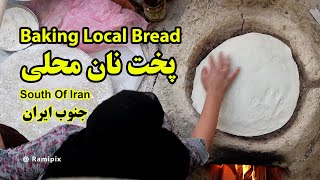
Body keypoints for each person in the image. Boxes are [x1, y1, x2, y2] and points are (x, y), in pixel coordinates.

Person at [0, 52, 240, 179]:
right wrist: (215, 94)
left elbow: (8, 166)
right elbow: (198, 148)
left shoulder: (58, 149)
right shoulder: (166, 164)